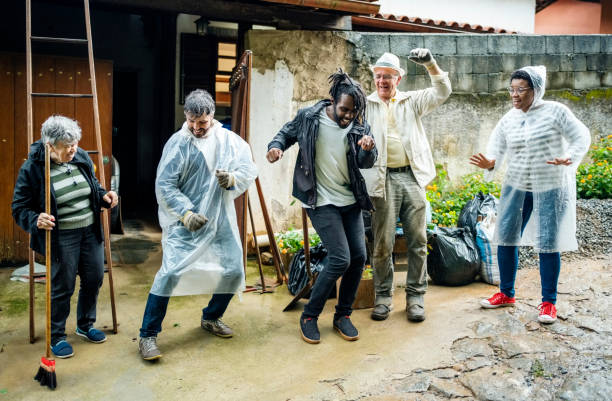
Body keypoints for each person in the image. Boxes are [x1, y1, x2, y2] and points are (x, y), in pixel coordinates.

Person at [138, 89, 257, 360]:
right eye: (191, 121)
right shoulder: (178, 143)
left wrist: (233, 179)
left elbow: (248, 168)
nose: (196, 127)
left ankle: (211, 317)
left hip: (220, 218)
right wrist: (185, 213)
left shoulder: (229, 141)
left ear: (212, 117)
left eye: (201, 122)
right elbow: (165, 185)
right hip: (186, 222)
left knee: (234, 270)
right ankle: (147, 335)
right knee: (168, 274)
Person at [471, 66, 590, 324]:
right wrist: (490, 163)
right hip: (517, 183)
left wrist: (569, 157)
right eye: (512, 89)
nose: (514, 95)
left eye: (520, 90)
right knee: (505, 235)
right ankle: (506, 293)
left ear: (535, 90)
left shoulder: (556, 112)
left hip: (549, 183)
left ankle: (548, 303)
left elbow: (581, 135)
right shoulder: (509, 118)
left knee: (548, 240)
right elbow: (496, 148)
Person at [267, 70, 376, 344]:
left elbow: (366, 162)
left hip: (349, 202)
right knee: (340, 258)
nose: (348, 116)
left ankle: (342, 315)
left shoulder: (360, 126)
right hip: (320, 199)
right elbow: (285, 134)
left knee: (359, 258)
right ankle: (309, 316)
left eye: (354, 112)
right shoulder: (309, 117)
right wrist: (276, 147)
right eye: (344, 110)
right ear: (332, 100)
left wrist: (367, 148)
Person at [12, 115, 119, 359]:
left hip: (90, 230)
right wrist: (35, 219)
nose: (73, 150)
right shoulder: (33, 168)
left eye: (75, 144)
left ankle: (85, 324)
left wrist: (104, 196)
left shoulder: (80, 156)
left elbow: (93, 188)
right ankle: (57, 335)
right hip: (62, 236)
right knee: (63, 286)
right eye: (67, 146)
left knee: (94, 278)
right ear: (50, 145)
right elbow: (19, 207)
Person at [363, 50, 452, 322]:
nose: (382, 81)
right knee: (382, 244)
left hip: (412, 177)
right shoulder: (365, 104)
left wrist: (430, 64)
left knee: (418, 241)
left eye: (387, 76)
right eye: (378, 76)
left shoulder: (411, 101)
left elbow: (443, 91)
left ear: (398, 78)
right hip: (382, 179)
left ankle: (415, 297)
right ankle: (383, 297)